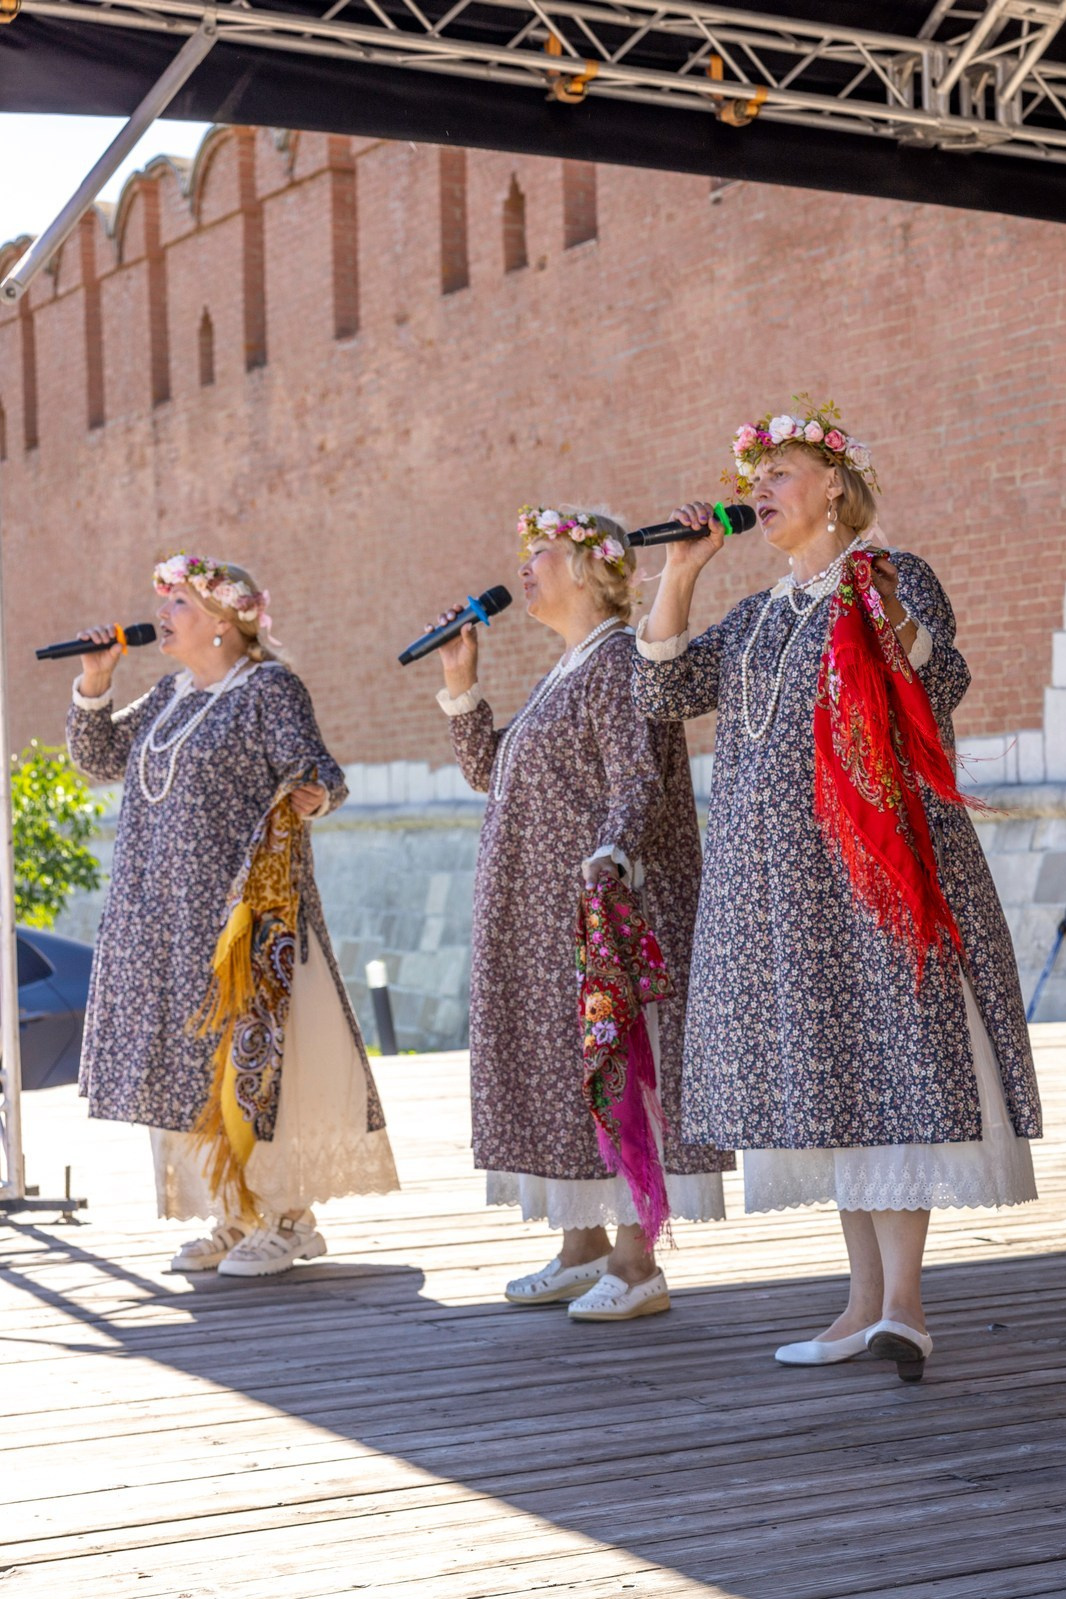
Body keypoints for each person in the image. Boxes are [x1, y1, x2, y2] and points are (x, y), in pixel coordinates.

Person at [634, 402, 1040, 1378]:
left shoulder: (891, 578)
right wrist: (679, 573)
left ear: (834, 486)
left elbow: (940, 680)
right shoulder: (760, 613)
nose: (760, 492)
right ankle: (860, 1303)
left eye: (780, 473)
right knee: (838, 1082)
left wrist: (891, 610)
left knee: (892, 1063)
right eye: (756, 477)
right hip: (781, 889)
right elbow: (661, 690)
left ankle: (903, 1303)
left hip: (873, 871)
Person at [434, 506, 730, 1321]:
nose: (524, 567)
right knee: (565, 1072)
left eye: (542, 553)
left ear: (591, 568)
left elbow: (640, 779)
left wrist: (615, 858)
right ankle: (581, 1245)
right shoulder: (563, 670)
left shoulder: (620, 662)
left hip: (601, 906)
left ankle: (638, 1265)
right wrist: (461, 686)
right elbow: (492, 776)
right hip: (536, 913)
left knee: (618, 1063)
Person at [67, 557, 395, 1277]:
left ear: (223, 621)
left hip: (241, 917)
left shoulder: (268, 688)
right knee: (188, 1066)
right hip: (161, 920)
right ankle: (229, 1211)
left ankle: (286, 1217)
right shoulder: (171, 694)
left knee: (253, 1064)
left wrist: (317, 793)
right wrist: (94, 682)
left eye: (178, 601)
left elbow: (317, 768)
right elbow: (99, 757)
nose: (163, 612)